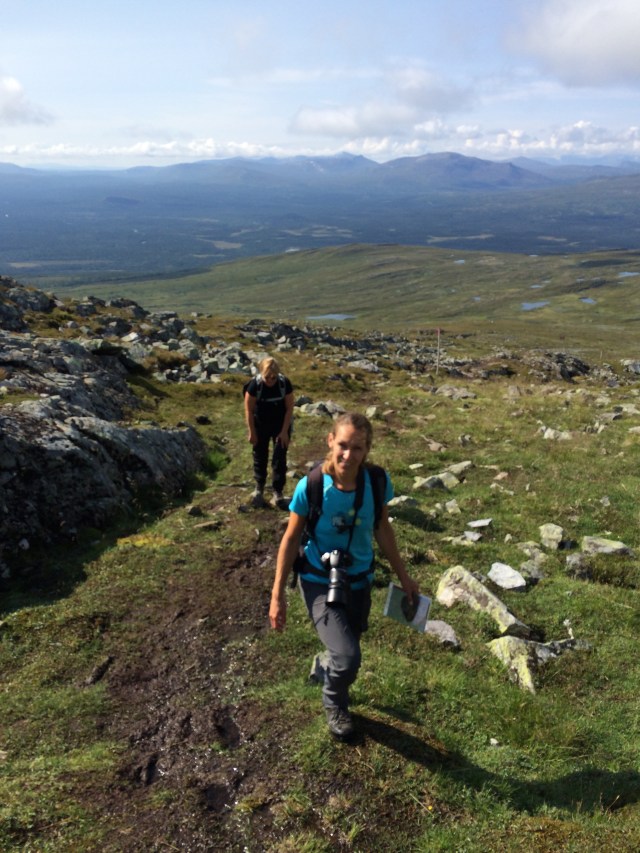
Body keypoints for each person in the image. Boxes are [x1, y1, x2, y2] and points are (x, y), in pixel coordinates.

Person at [269, 412, 420, 739]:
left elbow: (383, 529)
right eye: (342, 445)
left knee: (348, 644)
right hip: (317, 581)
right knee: (349, 658)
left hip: (360, 580)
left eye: (358, 448)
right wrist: (277, 594)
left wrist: (405, 577)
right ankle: (335, 702)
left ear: (368, 450)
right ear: (330, 441)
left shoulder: (377, 483)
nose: (348, 455)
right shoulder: (310, 486)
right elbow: (291, 538)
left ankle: (325, 667)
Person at [244, 356, 294, 509]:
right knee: (260, 455)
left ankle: (277, 492)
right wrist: (252, 432)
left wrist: (284, 432)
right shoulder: (254, 385)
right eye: (267, 377)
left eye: (274, 377)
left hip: (280, 424)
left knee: (279, 458)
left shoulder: (284, 383)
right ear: (261, 373)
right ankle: (259, 487)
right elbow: (249, 409)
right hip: (260, 424)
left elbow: (289, 408)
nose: (271, 380)